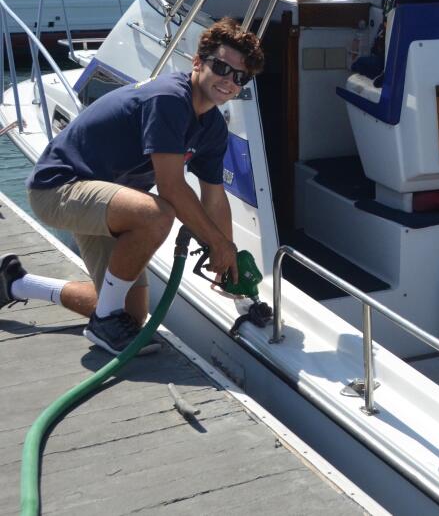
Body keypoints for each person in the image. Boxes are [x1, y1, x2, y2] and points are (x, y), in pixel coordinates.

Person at [0, 18, 263, 356]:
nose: (229, 80)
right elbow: (170, 186)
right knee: (156, 213)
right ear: (198, 63)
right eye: (222, 67)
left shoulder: (211, 126)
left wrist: (227, 257)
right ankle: (105, 320)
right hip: (58, 188)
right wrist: (215, 243)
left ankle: (16, 284)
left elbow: (214, 197)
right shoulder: (169, 98)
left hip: (106, 200)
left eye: (240, 77)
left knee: (133, 316)